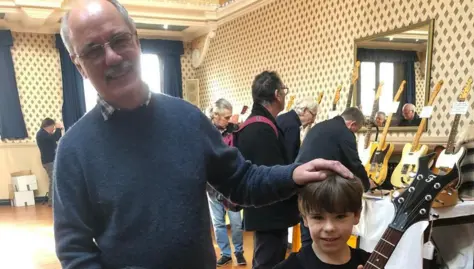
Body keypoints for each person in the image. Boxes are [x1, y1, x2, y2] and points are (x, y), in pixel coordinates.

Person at [54, 1, 354, 269]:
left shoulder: (187, 119)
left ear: (136, 38)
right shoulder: (73, 149)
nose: (112, 57)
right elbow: (75, 250)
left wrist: (294, 174)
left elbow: (241, 181)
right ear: (77, 63)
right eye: (93, 50)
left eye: (119, 39)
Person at [236, 71, 300, 269]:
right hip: (270, 214)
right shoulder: (261, 128)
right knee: (268, 263)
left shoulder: (255, 123)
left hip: (266, 214)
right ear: (277, 94)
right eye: (284, 90)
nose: (285, 94)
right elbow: (270, 178)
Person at [295, 107, 371, 246]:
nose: (354, 132)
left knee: (310, 228)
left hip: (301, 182)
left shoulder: (319, 126)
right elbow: (354, 163)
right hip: (321, 185)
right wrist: (367, 185)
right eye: (356, 129)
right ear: (352, 124)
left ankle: (307, 258)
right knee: (328, 229)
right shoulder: (345, 133)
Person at [273, 175, 370, 269]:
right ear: (305, 219)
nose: (329, 228)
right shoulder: (289, 266)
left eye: (340, 216)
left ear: (357, 215)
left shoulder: (370, 261)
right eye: (318, 217)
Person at [206, 98, 246, 266]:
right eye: (226, 117)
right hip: (212, 186)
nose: (229, 120)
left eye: (230, 117)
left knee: (236, 223)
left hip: (231, 184)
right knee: (218, 223)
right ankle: (225, 253)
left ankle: (239, 252)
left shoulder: (234, 131)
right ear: (215, 115)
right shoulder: (205, 130)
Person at [277, 98, 318, 163]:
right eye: (313, 115)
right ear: (305, 110)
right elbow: (290, 159)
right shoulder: (293, 126)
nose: (313, 121)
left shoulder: (281, 117)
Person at [35, 118, 63, 206]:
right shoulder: (41, 134)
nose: (53, 129)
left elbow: (54, 138)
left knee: (54, 179)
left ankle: (54, 200)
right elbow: (55, 137)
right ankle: (52, 201)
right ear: (48, 126)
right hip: (49, 161)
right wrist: (59, 128)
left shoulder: (43, 134)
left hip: (50, 160)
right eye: (53, 127)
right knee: (53, 180)